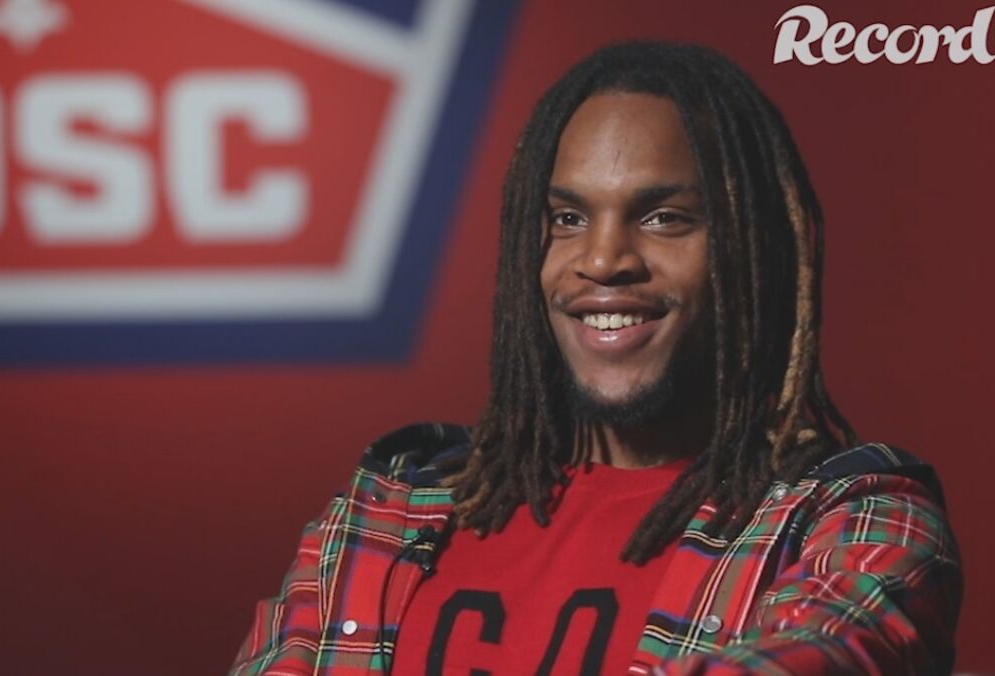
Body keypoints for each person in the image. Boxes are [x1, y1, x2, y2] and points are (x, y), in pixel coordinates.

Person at [229, 41, 962, 675]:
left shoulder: (854, 522)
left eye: (664, 218)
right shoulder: (385, 510)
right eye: (569, 218)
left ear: (753, 248)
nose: (604, 259)